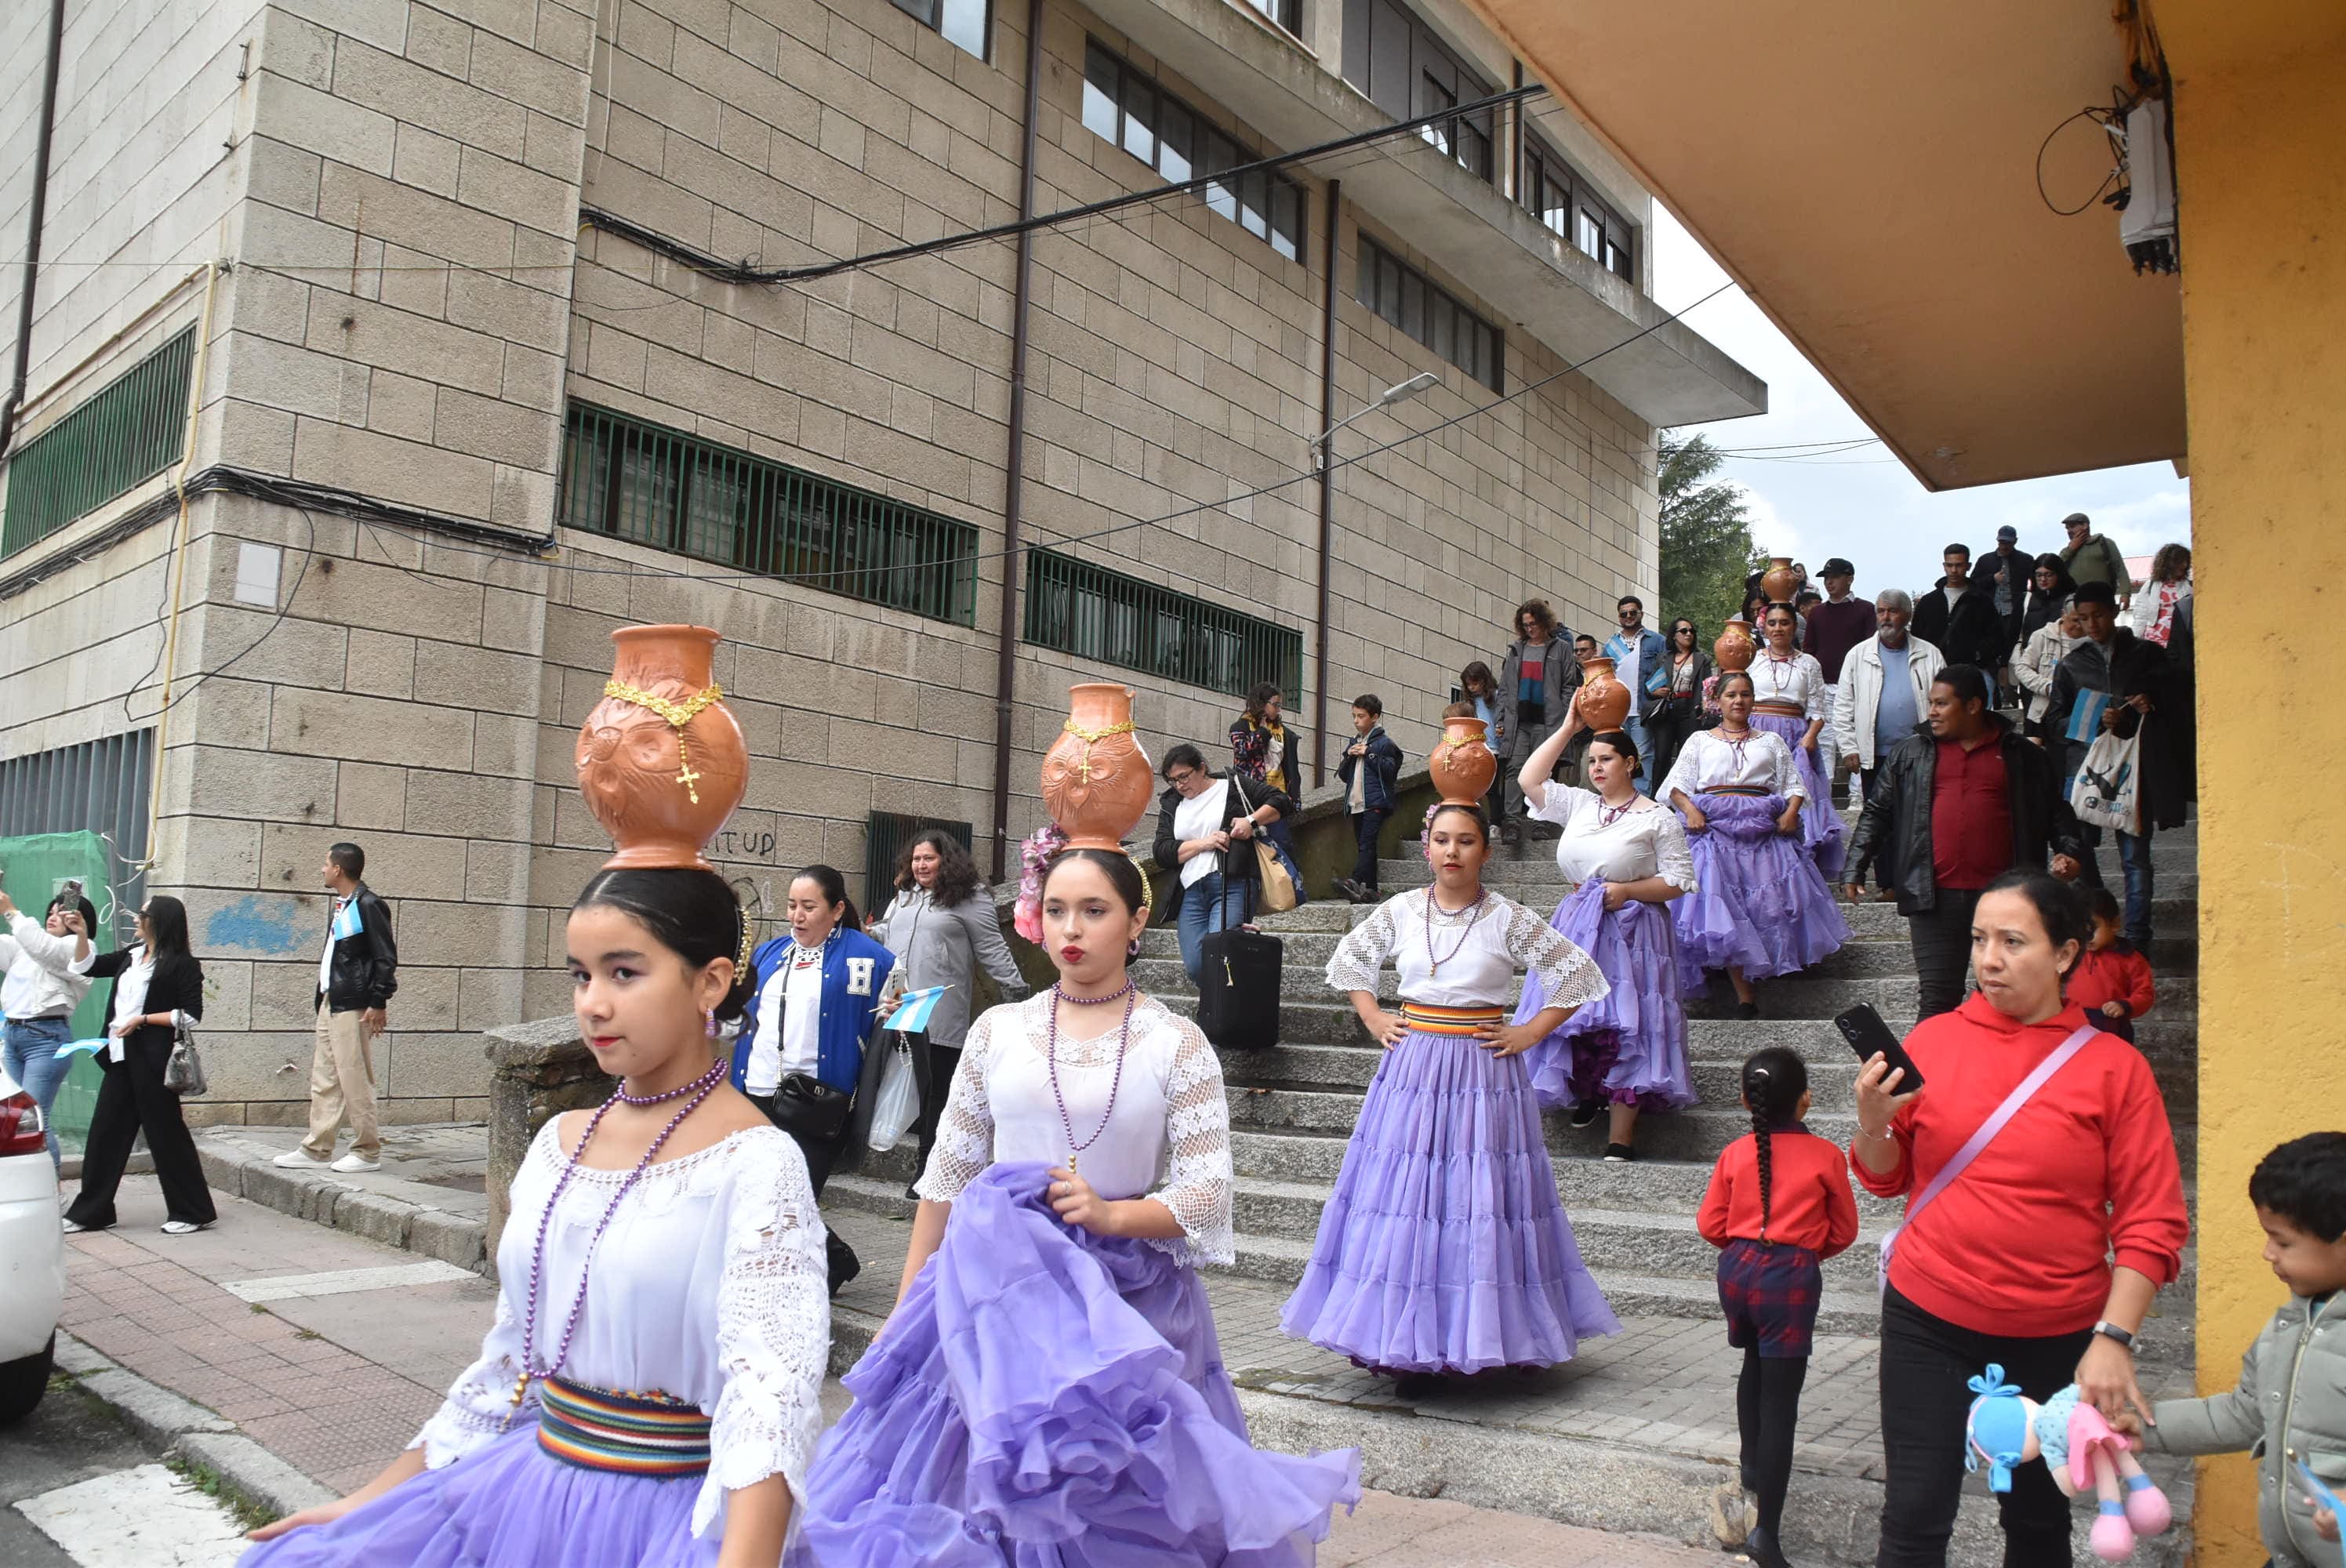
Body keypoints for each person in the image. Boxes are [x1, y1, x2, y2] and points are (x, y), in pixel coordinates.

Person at [794, 836, 1361, 1563]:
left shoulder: (1176, 1042)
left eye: (1094, 910)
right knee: (977, 1484)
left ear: (1136, 921)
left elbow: (1208, 1192)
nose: (1071, 928)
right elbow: (945, 1180)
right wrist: (906, 1309)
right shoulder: (998, 1030)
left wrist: (1110, 1215)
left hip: (1128, 1305)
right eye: (1057, 909)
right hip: (995, 1296)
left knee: (1119, 1495)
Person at [245, 866, 830, 1568]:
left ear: (708, 982)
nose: (593, 1004)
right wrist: (369, 1500)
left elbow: (770, 1403)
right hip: (525, 1498)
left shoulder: (757, 1162)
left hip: (666, 1526)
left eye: (624, 974)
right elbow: (507, 1367)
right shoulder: (559, 1143)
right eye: (580, 976)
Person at [1850, 870, 2188, 1568]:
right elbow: (1887, 1179)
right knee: (1913, 1517)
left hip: (2056, 1333)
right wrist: (1874, 1125)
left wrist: (2113, 1339)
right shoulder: (1937, 1040)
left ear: (2066, 954)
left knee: (2037, 1520)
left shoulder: (2114, 1069)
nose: (1988, 960)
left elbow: (2152, 1221)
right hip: (1928, 1320)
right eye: (1979, 940)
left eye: (2012, 941)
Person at [1280, 800, 1619, 1395]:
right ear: (1427, 845)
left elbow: (1579, 975)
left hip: (1485, 1072)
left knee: (1477, 1198)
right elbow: (1351, 959)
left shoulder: (1508, 918)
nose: (1452, 852)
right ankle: (1405, 1344)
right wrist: (1374, 1016)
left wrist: (1532, 1031)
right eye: (1441, 840)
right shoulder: (1403, 910)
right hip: (1412, 1067)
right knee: (1407, 1199)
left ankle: (1483, 1338)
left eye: (1466, 841)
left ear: (1485, 850)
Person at [2120, 1132, 2346, 1568]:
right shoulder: (2291, 1323)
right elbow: (2244, 1412)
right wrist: (2149, 1428)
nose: (2267, 1254)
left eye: (2282, 1242)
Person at [1509, 706, 1696, 1162]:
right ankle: (1586, 1090)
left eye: (1606, 759)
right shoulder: (1579, 804)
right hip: (1577, 922)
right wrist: (1570, 727)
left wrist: (1628, 890)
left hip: (1635, 929)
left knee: (1631, 1023)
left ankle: (1622, 1136)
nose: (1595, 768)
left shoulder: (1658, 817)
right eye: (1591, 760)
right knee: (1574, 1012)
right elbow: (1529, 781)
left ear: (1630, 763)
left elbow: (1680, 880)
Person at [1843, 666, 2084, 1019]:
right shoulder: (1910, 753)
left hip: (2007, 902)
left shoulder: (2024, 756)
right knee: (1937, 1003)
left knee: (2004, 1002)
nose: (1932, 712)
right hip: (1933, 897)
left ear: (1973, 706)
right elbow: (1877, 812)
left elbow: (2057, 813)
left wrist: (2069, 851)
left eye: (1942, 704)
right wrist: (1856, 865)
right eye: (1931, 703)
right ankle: (1932, 1077)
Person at [1696, 1047, 1860, 1568]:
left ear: (1745, 1100)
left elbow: (1709, 1225)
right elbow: (1844, 1231)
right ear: (1807, 1100)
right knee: (1781, 1404)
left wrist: (1745, 1249)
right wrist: (1804, 1253)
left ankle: (1750, 1467)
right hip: (1789, 1277)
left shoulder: (1735, 1152)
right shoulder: (1827, 1156)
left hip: (1737, 1270)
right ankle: (1767, 1532)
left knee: (1752, 1364)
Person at [736, 865, 895, 1295]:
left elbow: (899, 1022)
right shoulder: (769, 954)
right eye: (791, 906)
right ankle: (832, 1257)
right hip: (759, 1090)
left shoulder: (870, 958)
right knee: (761, 1194)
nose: (797, 916)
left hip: (820, 1100)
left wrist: (897, 1015)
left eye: (809, 907)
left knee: (794, 1194)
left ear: (837, 909)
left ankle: (824, 1262)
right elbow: (742, 1015)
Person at [1660, 672, 1850, 1020]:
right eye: (1731, 694)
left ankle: (1756, 985)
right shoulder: (1700, 740)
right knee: (1724, 908)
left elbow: (1795, 785)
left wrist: (1792, 812)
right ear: (1717, 701)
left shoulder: (1771, 741)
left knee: (1766, 907)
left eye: (1746, 694)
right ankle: (1744, 996)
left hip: (1764, 833)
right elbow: (1675, 786)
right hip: (1714, 832)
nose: (1738, 700)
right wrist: (1689, 811)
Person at [869, 829, 1031, 1201]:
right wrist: (870, 933)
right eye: (916, 859)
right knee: (900, 1085)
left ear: (947, 861)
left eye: (929, 858)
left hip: (940, 1012)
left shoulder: (969, 898)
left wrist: (1017, 993)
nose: (921, 865)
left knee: (936, 1095)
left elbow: (992, 947)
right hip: (897, 1006)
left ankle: (927, 1170)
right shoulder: (904, 898)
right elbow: (890, 935)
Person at [61, 897, 215, 1236]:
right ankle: (94, 1212)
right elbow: (86, 966)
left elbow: (190, 1015)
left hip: (153, 1061)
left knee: (166, 1135)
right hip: (119, 1057)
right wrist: (82, 933)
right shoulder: (132, 954)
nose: (136, 918)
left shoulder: (182, 964)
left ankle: (193, 1211)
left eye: (142, 914)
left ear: (159, 921)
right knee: (105, 1134)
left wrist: (143, 1019)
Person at [2046, 583, 2187, 947]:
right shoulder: (2072, 664)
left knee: (2136, 859)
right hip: (2084, 771)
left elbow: (2179, 704)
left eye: (2098, 616)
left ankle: (2138, 939)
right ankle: (2095, 933)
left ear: (2114, 611)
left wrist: (2150, 703)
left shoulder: (2148, 655)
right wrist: (2093, 720)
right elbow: (2054, 721)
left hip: (2135, 770)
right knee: (2081, 858)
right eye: (2082, 618)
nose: (2092, 624)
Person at [274, 844, 398, 1174]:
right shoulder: (344, 906)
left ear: (338, 870)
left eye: (325, 864)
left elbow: (385, 958)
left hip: (353, 1004)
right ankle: (317, 1148)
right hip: (332, 1000)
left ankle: (367, 1151)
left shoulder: (369, 905)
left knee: (355, 1077)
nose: (322, 869)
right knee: (325, 1077)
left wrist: (378, 1001)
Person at [1152, 742, 1290, 982]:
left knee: (1220, 956)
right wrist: (1204, 843)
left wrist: (1251, 821)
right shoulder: (1172, 803)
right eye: (1173, 780)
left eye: (1184, 776)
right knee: (1196, 966)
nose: (1179, 785)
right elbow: (1162, 853)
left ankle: (1217, 1017)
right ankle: (1221, 1007)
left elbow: (1282, 801)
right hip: (1190, 890)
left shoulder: (1232, 785)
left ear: (1202, 768)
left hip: (1231, 884)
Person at [0, 881, 96, 1170]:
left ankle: (52, 1193)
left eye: (62, 913)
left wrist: (11, 912)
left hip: (46, 1039)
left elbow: (47, 951)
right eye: (51, 912)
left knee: (35, 1118)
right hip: (14, 1035)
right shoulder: (29, 947)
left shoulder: (81, 948)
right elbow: (21, 943)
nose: (53, 916)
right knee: (12, 1118)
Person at [1749, 603, 1845, 877]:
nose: (1778, 628)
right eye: (1773, 623)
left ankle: (1797, 864)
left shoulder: (1808, 663)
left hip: (1795, 735)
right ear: (1764, 627)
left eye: (1784, 623)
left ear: (1794, 627)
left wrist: (1810, 737)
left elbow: (1817, 709)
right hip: (1758, 733)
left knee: (1796, 798)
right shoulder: (1752, 659)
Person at [1830, 590, 1945, 815]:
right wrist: (1849, 747)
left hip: (1919, 753)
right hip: (1874, 756)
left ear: (1907, 616)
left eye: (1893, 611)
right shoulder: (1858, 655)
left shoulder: (1930, 654)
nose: (1885, 617)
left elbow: (1945, 703)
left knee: (1916, 817)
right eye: (1881, 611)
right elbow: (1843, 705)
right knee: (1879, 818)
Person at [1495, 600, 1582, 844]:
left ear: (1544, 622)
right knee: (1514, 767)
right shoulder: (1516, 650)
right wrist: (1501, 717)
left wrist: (1564, 713)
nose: (1530, 628)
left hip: (1548, 720)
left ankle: (1542, 821)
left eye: (1533, 623)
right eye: (1525, 625)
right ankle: (1510, 822)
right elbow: (1505, 687)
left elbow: (1569, 685)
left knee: (1544, 772)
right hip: (1518, 720)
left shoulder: (1562, 648)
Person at [1229, 684, 1307, 903]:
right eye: (1275, 705)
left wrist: (1295, 796)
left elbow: (1291, 767)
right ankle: (1258, 892)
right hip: (1251, 797)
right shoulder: (1241, 727)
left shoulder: (1284, 732)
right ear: (1262, 705)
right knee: (1255, 845)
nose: (1278, 710)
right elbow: (1242, 751)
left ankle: (1293, 889)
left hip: (1278, 796)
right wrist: (1262, 732)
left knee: (1283, 841)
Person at [1804, 559, 1876, 796]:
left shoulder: (1865, 609)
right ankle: (1824, 797)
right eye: (1826, 577)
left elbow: (1870, 649)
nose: (1829, 582)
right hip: (1823, 685)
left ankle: (1858, 797)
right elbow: (1809, 652)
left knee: (1857, 740)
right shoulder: (1817, 613)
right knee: (1824, 742)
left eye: (1834, 576)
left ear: (1850, 578)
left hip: (1855, 686)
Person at [1333, 695, 1404, 905]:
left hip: (1376, 802)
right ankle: (1371, 891)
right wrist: (1349, 755)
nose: (1356, 720)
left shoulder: (1384, 743)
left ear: (1374, 717)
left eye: (1361, 716)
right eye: (1354, 716)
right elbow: (1345, 776)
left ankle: (1354, 880)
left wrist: (1369, 753)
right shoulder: (1354, 742)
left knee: (1366, 843)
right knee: (1366, 846)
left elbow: (1391, 770)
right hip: (1356, 802)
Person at [2066, 887, 2155, 1044]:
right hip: (2075, 1022)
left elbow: (2145, 994)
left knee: (2114, 1065)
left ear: (2115, 924)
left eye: (2093, 929)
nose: (2086, 936)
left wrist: (2126, 1005)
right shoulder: (2072, 954)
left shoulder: (2131, 959)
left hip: (2112, 1023)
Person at [1606, 595, 1669, 798]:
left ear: (1641, 613)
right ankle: (1621, 798)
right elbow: (1605, 676)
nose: (1629, 616)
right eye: (1624, 614)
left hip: (1643, 709)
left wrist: (1656, 689)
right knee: (1618, 757)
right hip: (1617, 713)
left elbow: (1667, 668)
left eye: (1633, 612)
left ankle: (1641, 801)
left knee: (1642, 756)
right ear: (1619, 616)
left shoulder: (1657, 640)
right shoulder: (1611, 644)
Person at [1909, 544, 2010, 673]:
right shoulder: (1928, 602)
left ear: (1968, 566)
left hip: (1969, 671)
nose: (1954, 570)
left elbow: (1996, 638)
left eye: (1959, 565)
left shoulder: (1982, 601)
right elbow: (1917, 637)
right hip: (1932, 670)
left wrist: (1977, 655)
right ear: (1944, 566)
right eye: (1949, 565)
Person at [1646, 618, 1712, 793]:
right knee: (1661, 755)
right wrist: (1655, 692)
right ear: (1674, 636)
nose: (1688, 634)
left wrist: (1702, 710)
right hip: (1667, 709)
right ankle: (1657, 797)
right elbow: (1649, 686)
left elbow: (1707, 688)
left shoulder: (1702, 659)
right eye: (1684, 631)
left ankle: (1685, 795)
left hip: (1690, 710)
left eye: (1691, 631)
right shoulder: (1663, 658)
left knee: (1688, 756)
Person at [2014, 596, 2086, 744]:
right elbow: (2022, 668)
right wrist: (2047, 687)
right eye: (2074, 620)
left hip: (2080, 714)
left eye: (2083, 620)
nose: (2079, 626)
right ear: (2063, 614)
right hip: (2044, 712)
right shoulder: (2043, 636)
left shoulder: (2093, 641)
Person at [1974, 525, 2032, 669]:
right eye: (2002, 542)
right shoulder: (1985, 560)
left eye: (2008, 543)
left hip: (2015, 612)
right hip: (1990, 612)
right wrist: (1992, 579)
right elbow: (1973, 584)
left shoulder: (2026, 560)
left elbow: (2036, 581)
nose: (2004, 546)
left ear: (2015, 542)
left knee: (2012, 645)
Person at [1460, 660, 1505, 823]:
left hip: (1495, 747)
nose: (1472, 688)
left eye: (1475, 683)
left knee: (1494, 788)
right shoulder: (1471, 701)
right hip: (1478, 747)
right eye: (1469, 685)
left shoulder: (1496, 696)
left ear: (1484, 681)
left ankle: (1496, 821)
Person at [2059, 512, 2132, 607]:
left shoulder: (2105, 543)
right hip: (2076, 603)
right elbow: (2055, 569)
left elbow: (2120, 570)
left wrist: (2125, 594)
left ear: (2085, 525)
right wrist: (2070, 550)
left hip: (2102, 600)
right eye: (2067, 528)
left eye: (2072, 526)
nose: (2069, 531)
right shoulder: (2067, 551)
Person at [2137, 543, 2191, 648]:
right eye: (2180, 561)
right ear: (2168, 563)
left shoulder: (2189, 588)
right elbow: (2140, 617)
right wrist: (2135, 643)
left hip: (2178, 645)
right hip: (2152, 644)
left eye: (2186, 561)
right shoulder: (2150, 586)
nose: (2184, 565)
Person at [2019, 555, 2077, 648]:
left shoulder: (2073, 600)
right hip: (2031, 655)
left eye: (2048, 575)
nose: (2043, 579)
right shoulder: (2026, 599)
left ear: (2059, 575)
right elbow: (2014, 634)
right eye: (2039, 575)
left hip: (2062, 653)